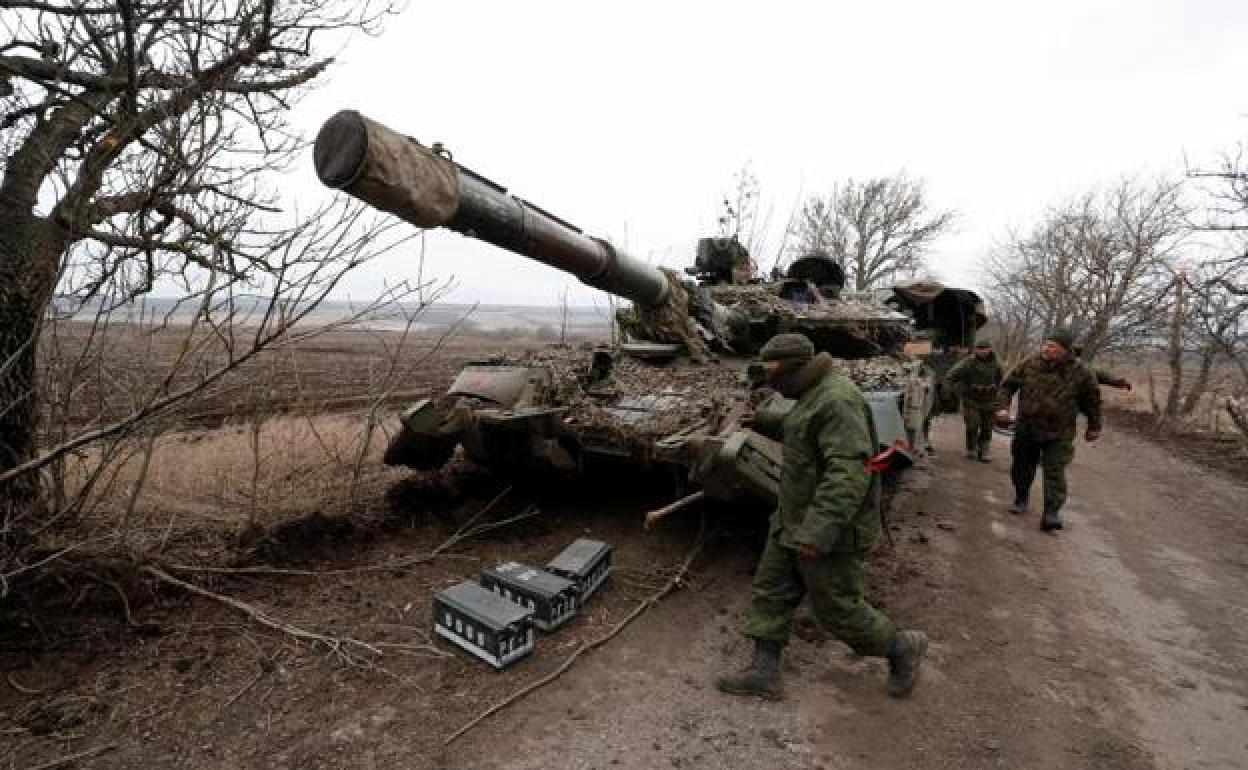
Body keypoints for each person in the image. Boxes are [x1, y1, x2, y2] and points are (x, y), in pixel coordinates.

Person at [715, 333, 927, 700]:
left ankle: (901, 647)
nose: (767, 379)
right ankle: (765, 672)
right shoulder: (812, 394)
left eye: (771, 370)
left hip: (827, 526)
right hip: (794, 516)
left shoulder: (837, 400)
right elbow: (805, 429)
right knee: (772, 590)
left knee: (837, 608)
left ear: (794, 368)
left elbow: (847, 472)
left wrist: (817, 531)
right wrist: (765, 422)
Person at [995, 328, 1102, 532]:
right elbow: (1007, 385)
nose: (1046, 348)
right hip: (1027, 427)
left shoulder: (1081, 372)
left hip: (1059, 433)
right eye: (1045, 344)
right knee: (1022, 467)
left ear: (1065, 350)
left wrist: (1094, 426)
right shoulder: (1030, 363)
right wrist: (1002, 407)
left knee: (1055, 471)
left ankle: (1051, 513)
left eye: (1052, 346)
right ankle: (1021, 497)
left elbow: (1093, 401)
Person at [944, 339, 1004, 462]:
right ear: (976, 350)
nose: (982, 351)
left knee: (987, 427)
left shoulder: (997, 363)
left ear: (990, 349)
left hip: (989, 399)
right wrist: (957, 390)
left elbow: (1001, 381)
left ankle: (984, 450)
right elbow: (951, 376)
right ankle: (971, 448)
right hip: (971, 399)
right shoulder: (967, 363)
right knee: (973, 424)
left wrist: (998, 395)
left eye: (985, 349)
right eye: (979, 349)